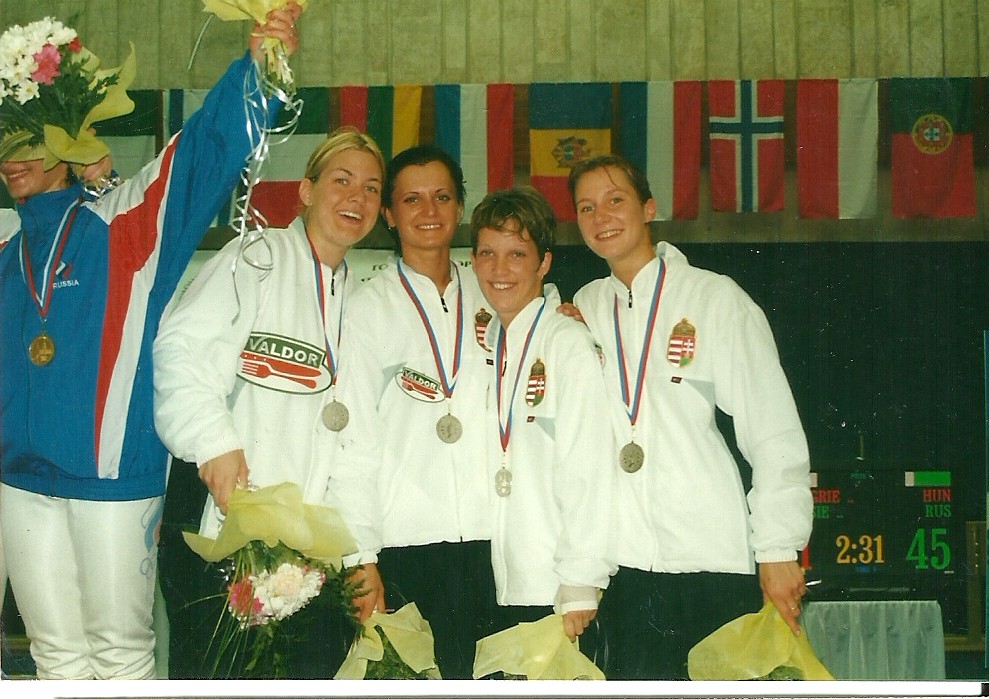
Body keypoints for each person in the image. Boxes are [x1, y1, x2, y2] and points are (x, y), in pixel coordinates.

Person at [0, 4, 302, 680]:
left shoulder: (126, 222)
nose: (13, 159)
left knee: (120, 653)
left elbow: (202, 154)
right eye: (3, 141)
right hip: (19, 478)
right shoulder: (7, 250)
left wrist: (259, 65)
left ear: (69, 138)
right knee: (53, 656)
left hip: (113, 474)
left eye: (28, 139)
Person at [567, 154, 813, 680]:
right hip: (625, 567)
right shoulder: (584, 306)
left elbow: (772, 429)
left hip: (711, 556)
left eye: (615, 200)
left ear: (648, 207)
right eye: (586, 207)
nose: (601, 216)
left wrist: (777, 546)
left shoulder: (714, 297)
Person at [152, 127, 384, 677]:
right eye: (342, 180)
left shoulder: (356, 302)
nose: (357, 197)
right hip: (221, 531)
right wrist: (213, 442)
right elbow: (181, 350)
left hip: (304, 558)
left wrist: (361, 554)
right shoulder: (256, 256)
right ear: (306, 190)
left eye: (372, 188)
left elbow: (354, 443)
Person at [330, 144, 496, 679]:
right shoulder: (367, 307)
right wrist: (361, 556)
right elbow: (352, 441)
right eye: (412, 199)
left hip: (496, 539)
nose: (429, 210)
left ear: (461, 206)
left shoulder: (496, 294)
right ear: (389, 214)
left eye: (442, 197)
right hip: (405, 545)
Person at [469, 186, 615, 649]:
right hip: (504, 581)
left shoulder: (565, 341)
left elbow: (589, 466)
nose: (500, 270)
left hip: (558, 590)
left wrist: (581, 580)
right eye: (488, 253)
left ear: (544, 263)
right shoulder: (492, 343)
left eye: (517, 254)